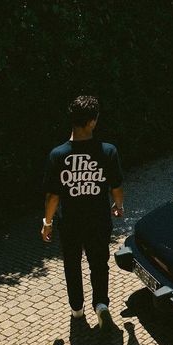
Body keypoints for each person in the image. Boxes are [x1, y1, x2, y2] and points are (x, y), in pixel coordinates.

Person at [41, 95, 124, 332]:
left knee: (72, 264)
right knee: (99, 263)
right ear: (92, 122)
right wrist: (118, 206)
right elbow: (116, 187)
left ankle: (77, 309)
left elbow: (53, 196)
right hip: (98, 219)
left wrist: (47, 222)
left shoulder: (58, 155)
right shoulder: (108, 151)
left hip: (70, 223)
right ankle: (101, 305)